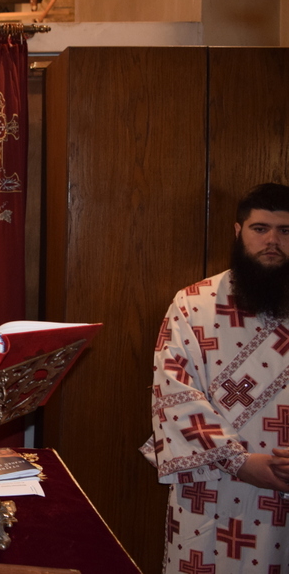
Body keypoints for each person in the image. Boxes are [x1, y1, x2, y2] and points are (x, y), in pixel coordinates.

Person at [142, 182, 289, 573]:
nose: (272, 241)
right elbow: (173, 394)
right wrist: (238, 461)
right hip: (210, 489)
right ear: (238, 231)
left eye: (285, 230)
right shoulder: (193, 304)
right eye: (260, 228)